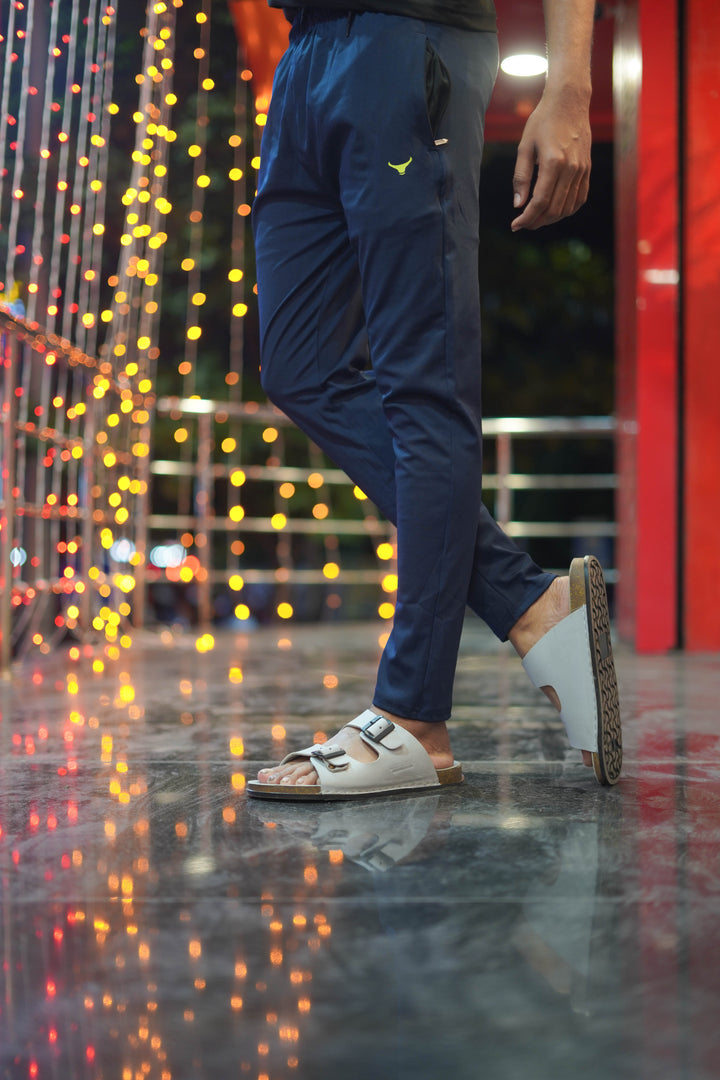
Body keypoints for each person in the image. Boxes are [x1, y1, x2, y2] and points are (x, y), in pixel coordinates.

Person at [247, 0, 622, 799]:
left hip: (409, 40)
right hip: (305, 52)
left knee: (424, 382)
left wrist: (570, 90)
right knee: (297, 366)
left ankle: (416, 717)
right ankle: (528, 602)